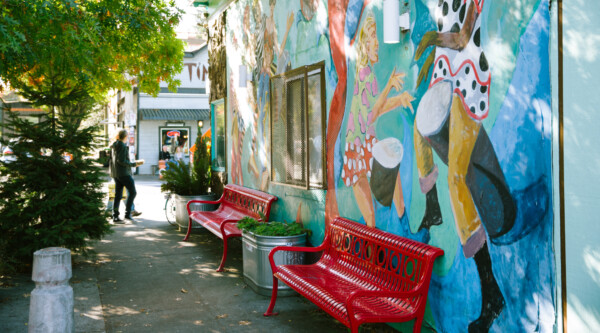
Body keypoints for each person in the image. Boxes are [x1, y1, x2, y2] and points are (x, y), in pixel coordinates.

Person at [414, 1, 506, 331]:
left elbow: (463, 35)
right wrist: (429, 60)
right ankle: (432, 206)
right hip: (449, 74)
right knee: (419, 130)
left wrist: (429, 41)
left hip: (469, 79)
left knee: (457, 177)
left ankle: (491, 291)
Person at [110, 129, 144, 223]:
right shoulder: (122, 146)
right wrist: (134, 164)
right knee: (133, 192)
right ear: (125, 137)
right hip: (124, 173)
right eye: (127, 136)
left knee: (118, 195)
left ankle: (115, 216)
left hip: (116, 174)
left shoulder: (115, 145)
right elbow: (121, 161)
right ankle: (127, 214)